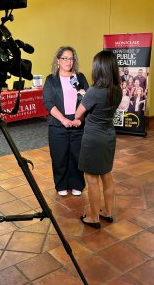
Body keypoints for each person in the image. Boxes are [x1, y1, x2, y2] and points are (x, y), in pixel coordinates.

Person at [73, 50, 122, 228]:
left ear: (99, 69)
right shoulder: (117, 90)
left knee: (92, 177)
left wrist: (83, 97)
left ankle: (93, 218)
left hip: (93, 137)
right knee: (106, 175)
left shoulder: (94, 91)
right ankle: (107, 212)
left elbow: (78, 114)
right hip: (109, 135)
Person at [43, 46, 89, 197]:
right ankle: (61, 184)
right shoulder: (51, 79)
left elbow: (87, 100)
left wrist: (79, 119)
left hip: (78, 124)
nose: (68, 61)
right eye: (65, 58)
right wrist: (63, 120)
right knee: (59, 156)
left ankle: (77, 184)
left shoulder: (80, 78)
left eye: (71, 58)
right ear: (58, 60)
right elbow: (49, 103)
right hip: (58, 124)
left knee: (77, 156)